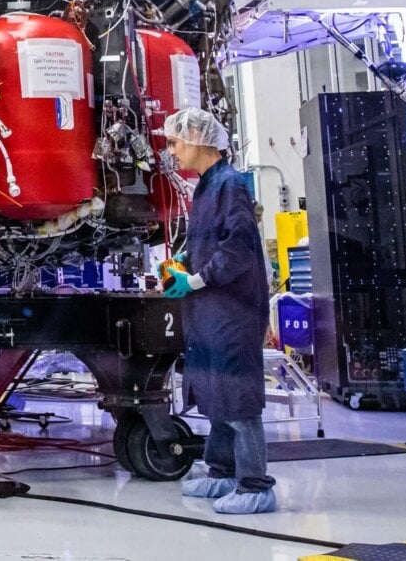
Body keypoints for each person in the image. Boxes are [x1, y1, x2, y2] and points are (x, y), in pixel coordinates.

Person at [159, 107, 276, 516]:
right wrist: (182, 263)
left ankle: (255, 484)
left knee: (238, 397)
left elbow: (239, 248)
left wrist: (198, 278)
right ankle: (223, 470)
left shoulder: (229, 184)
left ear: (196, 136)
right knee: (215, 390)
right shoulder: (206, 188)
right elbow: (207, 241)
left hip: (233, 310)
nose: (171, 151)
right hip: (211, 310)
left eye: (174, 142)